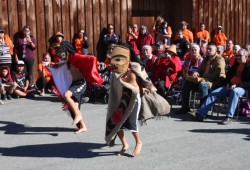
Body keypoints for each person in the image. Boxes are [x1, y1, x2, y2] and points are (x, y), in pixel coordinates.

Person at [105, 45, 170, 157]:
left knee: (131, 123)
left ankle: (138, 142)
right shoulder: (115, 69)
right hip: (119, 99)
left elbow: (135, 86)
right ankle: (125, 144)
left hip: (132, 99)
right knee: (116, 123)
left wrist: (142, 88)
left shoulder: (134, 68)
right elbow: (115, 86)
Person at [193, 49, 250, 124]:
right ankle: (201, 114)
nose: (238, 57)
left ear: (246, 57)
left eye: (240, 56)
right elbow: (228, 77)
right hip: (230, 86)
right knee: (214, 93)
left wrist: (236, 85)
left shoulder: (248, 67)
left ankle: (229, 117)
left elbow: (248, 82)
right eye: (237, 56)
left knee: (235, 92)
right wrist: (228, 84)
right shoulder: (235, 65)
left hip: (242, 88)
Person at [176, 44, 226, 114]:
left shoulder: (220, 60)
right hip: (203, 80)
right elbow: (200, 70)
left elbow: (216, 75)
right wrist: (196, 73)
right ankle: (185, 107)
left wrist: (202, 75)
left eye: (210, 49)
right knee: (186, 83)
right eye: (207, 49)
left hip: (214, 82)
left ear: (215, 51)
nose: (208, 51)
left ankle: (202, 111)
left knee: (203, 85)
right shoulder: (206, 59)